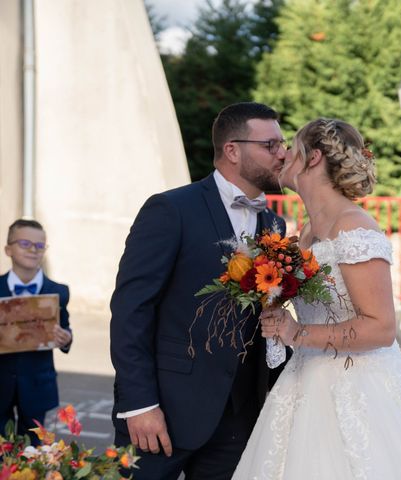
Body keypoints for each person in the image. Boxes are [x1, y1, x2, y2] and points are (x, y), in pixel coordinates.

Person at [232, 118, 401, 479]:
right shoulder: (305, 231)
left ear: (315, 157)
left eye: (293, 146)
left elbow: (381, 328)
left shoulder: (353, 226)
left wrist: (297, 333)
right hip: (304, 380)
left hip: (361, 386)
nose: (285, 153)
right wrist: (272, 299)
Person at [110, 102, 287, 479]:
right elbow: (131, 309)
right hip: (164, 410)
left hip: (238, 418)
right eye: (271, 145)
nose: (283, 154)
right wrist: (139, 404)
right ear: (232, 150)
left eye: (282, 145)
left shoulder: (274, 223)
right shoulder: (170, 209)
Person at [0, 219, 72, 445]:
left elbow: (66, 327)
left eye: (40, 246)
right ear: (8, 249)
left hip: (36, 383)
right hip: (0, 382)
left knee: (32, 447)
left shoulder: (57, 291)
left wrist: (66, 338)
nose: (33, 249)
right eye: (25, 243)